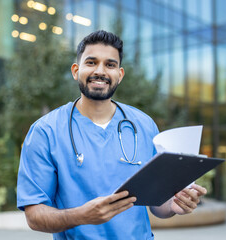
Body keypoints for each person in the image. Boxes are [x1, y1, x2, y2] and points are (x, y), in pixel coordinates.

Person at [17, 30, 207, 239]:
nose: (100, 71)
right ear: (75, 70)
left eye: (110, 64)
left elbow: (158, 206)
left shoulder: (144, 125)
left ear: (120, 74)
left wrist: (174, 204)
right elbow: (34, 216)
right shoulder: (45, 131)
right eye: (91, 62)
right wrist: (82, 216)